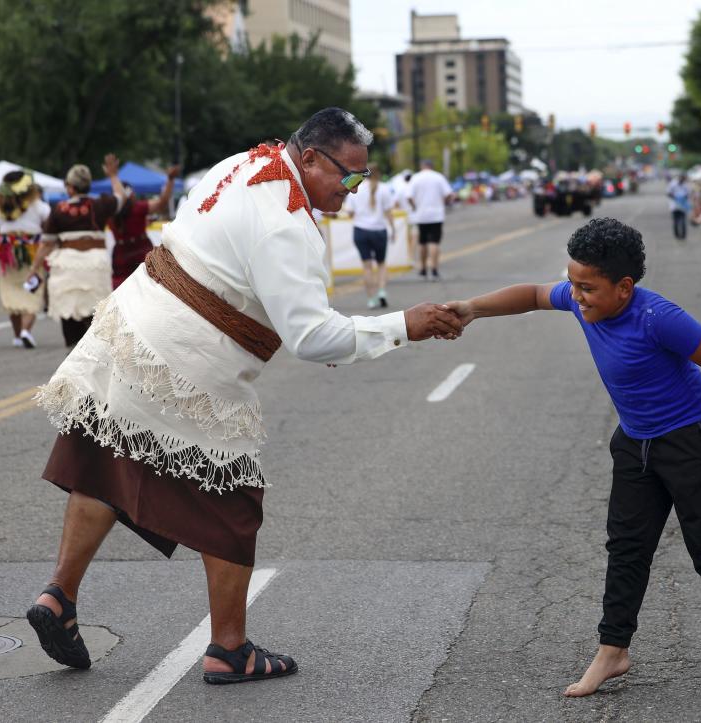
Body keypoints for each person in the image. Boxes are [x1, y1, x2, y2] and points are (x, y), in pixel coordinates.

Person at [27, 108, 463, 684]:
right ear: (309, 158)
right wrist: (406, 323)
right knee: (233, 501)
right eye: (348, 177)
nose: (354, 191)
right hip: (182, 355)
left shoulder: (244, 162)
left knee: (103, 463)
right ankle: (229, 649)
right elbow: (311, 337)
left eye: (363, 179)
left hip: (129, 325)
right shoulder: (289, 224)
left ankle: (59, 596)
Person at [444, 217, 701, 701]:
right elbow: (534, 295)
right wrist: (473, 308)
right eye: (574, 284)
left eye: (587, 288)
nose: (576, 296)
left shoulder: (657, 317)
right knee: (626, 547)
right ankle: (613, 650)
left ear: (624, 288)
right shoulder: (581, 301)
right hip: (635, 441)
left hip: (690, 439)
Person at [26, 155, 123, 346]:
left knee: (70, 316)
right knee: (96, 316)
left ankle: (74, 356)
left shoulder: (59, 210)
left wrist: (33, 269)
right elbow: (121, 196)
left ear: (70, 186)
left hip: (68, 267)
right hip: (95, 265)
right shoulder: (100, 204)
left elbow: (46, 245)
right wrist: (113, 175)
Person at [0, 170, 51, 348]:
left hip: (7, 254)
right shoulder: (38, 205)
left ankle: (17, 336)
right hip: (32, 253)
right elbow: (48, 226)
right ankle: (25, 331)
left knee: (11, 293)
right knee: (32, 291)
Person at [108, 165, 179, 289]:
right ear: (130, 195)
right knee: (147, 289)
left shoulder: (111, 212)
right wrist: (170, 180)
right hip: (140, 252)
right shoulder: (137, 208)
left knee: (122, 292)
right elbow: (162, 203)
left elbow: (161, 203)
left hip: (123, 255)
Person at [343, 163, 396, 308]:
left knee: (367, 267)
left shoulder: (356, 187)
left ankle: (371, 299)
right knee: (381, 264)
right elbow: (389, 213)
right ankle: (382, 292)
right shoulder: (384, 188)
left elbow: (350, 213)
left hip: (361, 230)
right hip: (379, 230)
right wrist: (393, 229)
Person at [407, 159, 454, 280]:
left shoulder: (415, 178)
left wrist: (415, 207)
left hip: (421, 215)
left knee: (422, 242)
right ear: (431, 166)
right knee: (434, 242)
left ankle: (423, 268)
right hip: (436, 214)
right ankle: (434, 269)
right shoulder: (439, 177)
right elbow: (449, 194)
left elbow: (409, 196)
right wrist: (444, 202)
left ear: (422, 166)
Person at [667, 174, 690, 240]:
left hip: (683, 206)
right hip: (674, 206)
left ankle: (683, 235)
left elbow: (688, 194)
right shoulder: (672, 184)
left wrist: (682, 198)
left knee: (683, 221)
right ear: (679, 178)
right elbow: (668, 193)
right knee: (675, 221)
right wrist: (675, 197)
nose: (682, 180)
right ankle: (677, 235)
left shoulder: (686, 185)